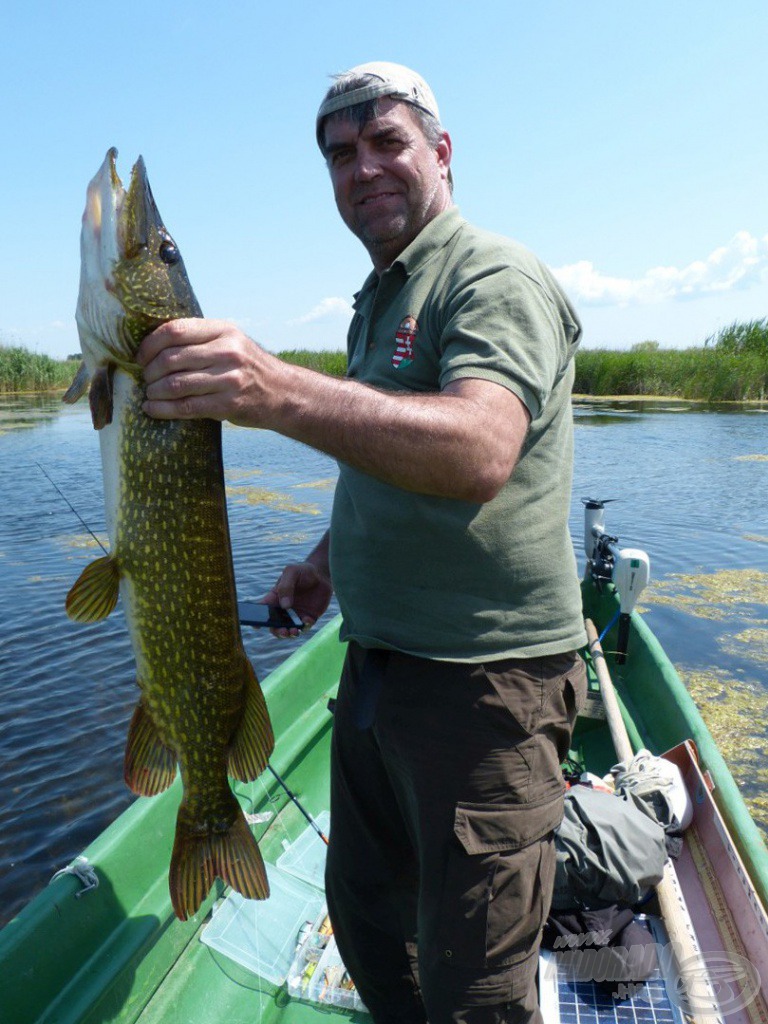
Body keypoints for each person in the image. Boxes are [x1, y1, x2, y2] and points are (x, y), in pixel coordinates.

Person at [138, 62, 588, 1024]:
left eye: (387, 142)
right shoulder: (380, 295)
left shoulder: (489, 275)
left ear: (442, 151)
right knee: (374, 933)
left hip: (484, 687)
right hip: (379, 671)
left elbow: (478, 448)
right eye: (341, 155)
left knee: (474, 985)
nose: (364, 168)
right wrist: (325, 566)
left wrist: (276, 387)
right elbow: (388, 460)